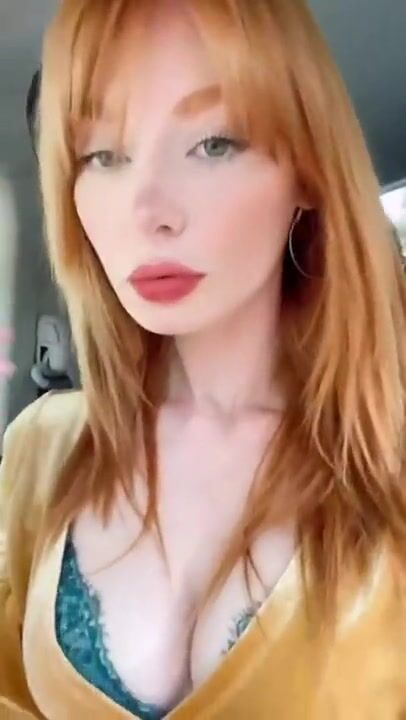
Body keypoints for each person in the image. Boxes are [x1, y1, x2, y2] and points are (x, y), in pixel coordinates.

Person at [1, 0, 406, 718]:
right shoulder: (43, 449)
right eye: (103, 156)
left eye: (214, 143)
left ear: (308, 170)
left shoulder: (387, 453)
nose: (148, 210)